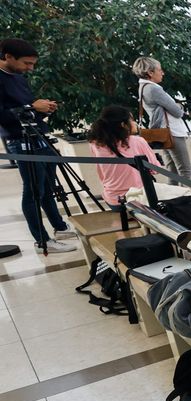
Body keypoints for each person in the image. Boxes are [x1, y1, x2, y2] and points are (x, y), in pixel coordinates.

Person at [0, 38, 75, 252]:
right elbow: (4, 115)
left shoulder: (18, 76)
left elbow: (26, 108)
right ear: (8, 57)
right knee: (33, 191)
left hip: (38, 134)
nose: (30, 68)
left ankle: (59, 227)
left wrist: (41, 109)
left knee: (48, 187)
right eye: (26, 63)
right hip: (20, 140)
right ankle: (42, 240)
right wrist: (32, 106)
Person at [132, 56, 191, 184]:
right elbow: (177, 112)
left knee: (172, 171)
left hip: (163, 132)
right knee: (185, 171)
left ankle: (173, 200)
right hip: (172, 132)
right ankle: (186, 202)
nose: (162, 73)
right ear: (150, 72)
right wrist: (180, 106)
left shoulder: (143, 87)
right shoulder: (153, 88)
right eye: (159, 70)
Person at [87, 105, 155, 209]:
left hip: (114, 201)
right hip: (140, 201)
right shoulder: (137, 141)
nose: (135, 123)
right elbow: (154, 168)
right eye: (132, 120)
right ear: (123, 125)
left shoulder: (95, 144)